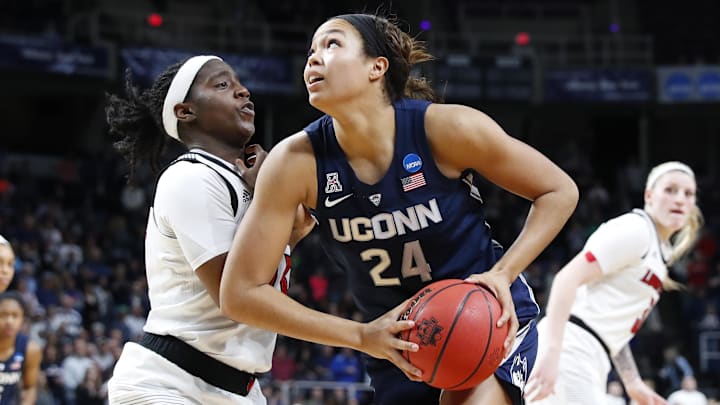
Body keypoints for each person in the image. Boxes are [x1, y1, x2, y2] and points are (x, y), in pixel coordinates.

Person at [219, 13, 578, 405]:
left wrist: (503, 273)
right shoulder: (295, 162)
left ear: (377, 67)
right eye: (311, 51)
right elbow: (239, 293)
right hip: (396, 347)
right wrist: (360, 335)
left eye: (332, 44)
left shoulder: (447, 129)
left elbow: (558, 190)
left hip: (481, 321)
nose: (313, 59)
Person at [105, 55, 312, 404]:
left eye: (239, 83)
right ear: (186, 111)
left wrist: (277, 207)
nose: (243, 91)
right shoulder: (191, 177)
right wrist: (359, 336)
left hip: (237, 389)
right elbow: (236, 299)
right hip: (168, 385)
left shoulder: (247, 181)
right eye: (222, 85)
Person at [525, 161, 702, 405]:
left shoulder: (660, 252)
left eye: (688, 193)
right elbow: (567, 278)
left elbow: (611, 327)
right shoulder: (636, 229)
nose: (680, 199)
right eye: (670, 190)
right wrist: (553, 352)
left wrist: (632, 382)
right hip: (571, 347)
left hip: (591, 354)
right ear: (649, 196)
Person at [0, 291, 43, 404]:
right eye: (3, 315)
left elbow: (30, 388)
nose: (9, 321)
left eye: (15, 316)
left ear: (23, 319)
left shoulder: (31, 350)